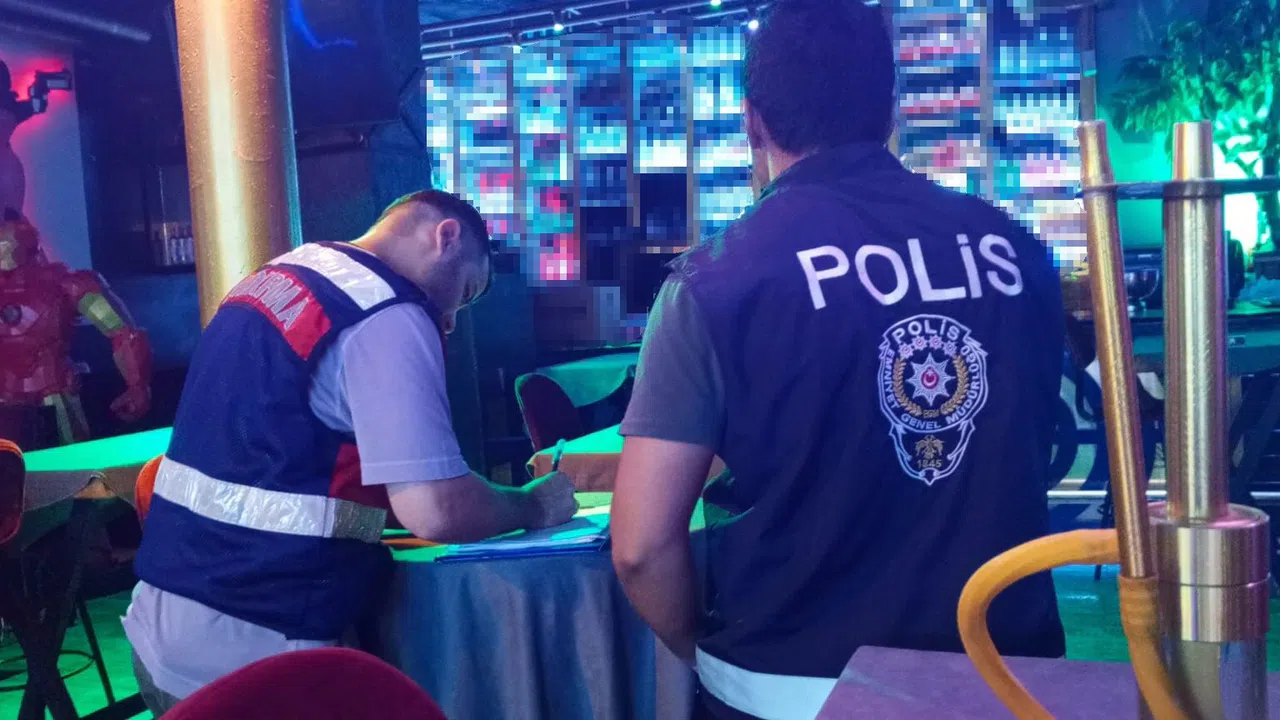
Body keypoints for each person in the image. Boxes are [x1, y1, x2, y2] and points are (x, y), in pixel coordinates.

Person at [610, 2, 1067, 718]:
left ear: (753, 121)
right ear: (890, 111)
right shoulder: (1017, 252)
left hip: (790, 684)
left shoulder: (714, 282)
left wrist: (703, 650)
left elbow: (640, 546)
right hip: (1006, 674)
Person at [126, 190, 578, 714]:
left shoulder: (278, 276)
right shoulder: (386, 310)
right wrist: (532, 504)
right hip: (264, 655)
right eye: (466, 290)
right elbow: (437, 509)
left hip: (158, 632)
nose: (452, 320)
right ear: (446, 237)